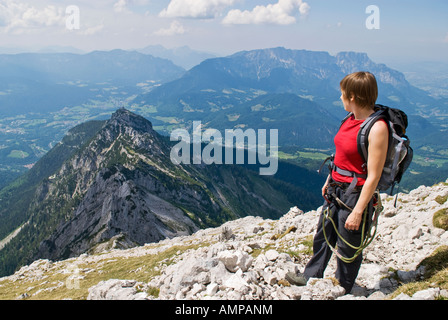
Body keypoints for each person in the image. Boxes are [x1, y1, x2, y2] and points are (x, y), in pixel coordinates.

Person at [286, 71, 389, 294]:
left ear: (352, 96)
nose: (340, 97)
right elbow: (341, 154)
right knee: (323, 234)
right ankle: (310, 276)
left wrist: (358, 211)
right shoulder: (349, 119)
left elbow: (374, 175)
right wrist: (329, 178)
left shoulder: (377, 127)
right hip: (335, 188)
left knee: (348, 244)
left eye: (342, 94)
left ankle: (342, 289)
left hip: (355, 194)